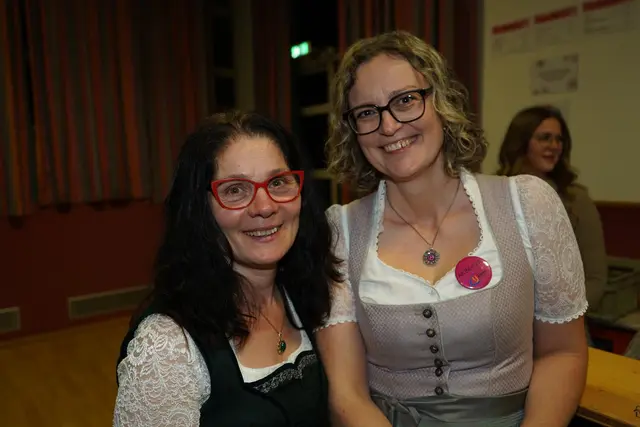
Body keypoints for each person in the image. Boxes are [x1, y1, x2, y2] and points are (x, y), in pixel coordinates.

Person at [316, 30, 589, 427]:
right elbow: (347, 394)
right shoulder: (340, 232)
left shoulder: (527, 204)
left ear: (441, 102)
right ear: (352, 131)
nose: (388, 126)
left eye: (406, 100)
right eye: (367, 113)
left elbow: (562, 353)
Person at [113, 111, 340, 426]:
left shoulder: (308, 293)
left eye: (278, 182)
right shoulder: (168, 347)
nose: (265, 207)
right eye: (235, 190)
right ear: (200, 209)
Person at [497, 105, 607, 315]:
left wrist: (559, 317)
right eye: (544, 138)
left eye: (559, 140)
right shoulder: (496, 192)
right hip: (505, 318)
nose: (554, 146)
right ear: (521, 143)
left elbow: (595, 279)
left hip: (561, 320)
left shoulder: (576, 200)